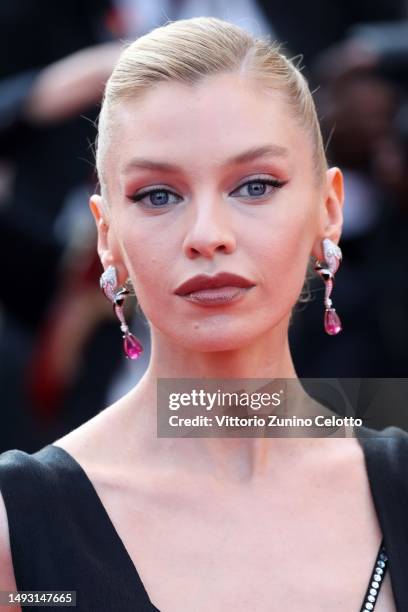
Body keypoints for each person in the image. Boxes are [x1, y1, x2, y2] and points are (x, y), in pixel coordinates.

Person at [0, 16, 407, 611]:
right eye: (157, 195)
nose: (208, 235)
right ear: (107, 234)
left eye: (256, 185)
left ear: (329, 209)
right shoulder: (19, 536)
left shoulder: (398, 488)